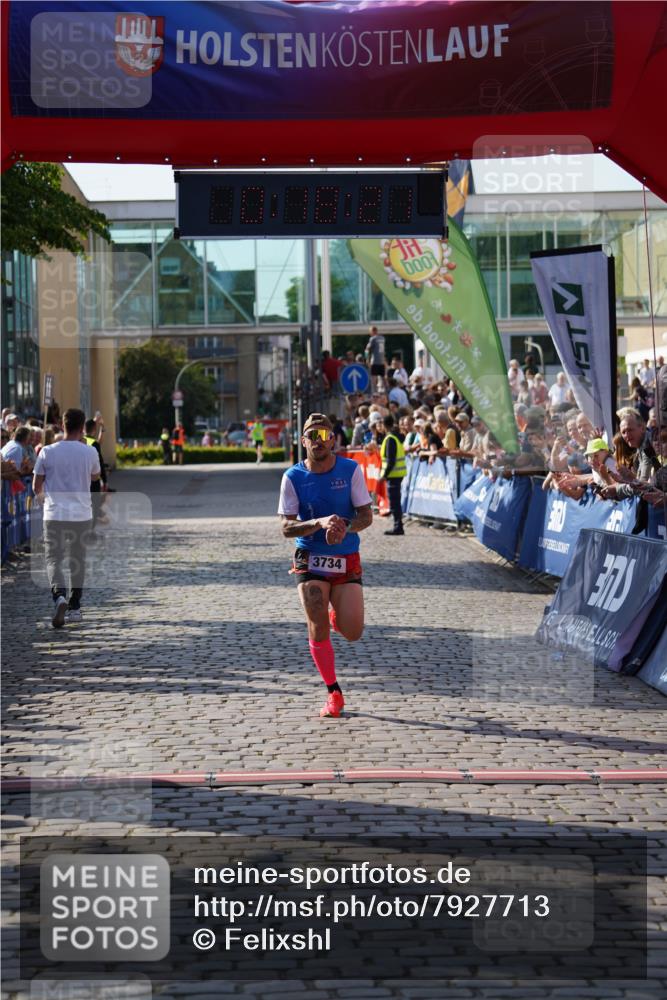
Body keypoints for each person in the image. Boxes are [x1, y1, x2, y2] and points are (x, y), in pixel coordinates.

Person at [278, 413, 373, 718]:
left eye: (324, 436)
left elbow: (366, 516)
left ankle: (338, 615)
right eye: (312, 437)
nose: (318, 443)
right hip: (310, 558)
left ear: (333, 439)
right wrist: (317, 523)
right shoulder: (292, 477)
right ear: (303, 441)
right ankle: (333, 692)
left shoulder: (350, 469)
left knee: (353, 631)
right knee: (316, 625)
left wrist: (345, 527)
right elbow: (286, 528)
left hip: (346, 557)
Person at [32, 408, 100, 627]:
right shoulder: (89, 451)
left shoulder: (47, 451)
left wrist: (43, 499)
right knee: (77, 560)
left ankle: (59, 595)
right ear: (82, 429)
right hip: (81, 514)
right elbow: (95, 476)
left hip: (54, 513)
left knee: (53, 558)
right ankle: (75, 607)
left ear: (62, 425)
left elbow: (36, 485)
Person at [378, 413, 407, 536]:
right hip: (396, 474)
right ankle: (398, 525)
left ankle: (398, 526)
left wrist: (383, 475)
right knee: (395, 501)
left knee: (394, 501)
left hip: (393, 475)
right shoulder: (395, 437)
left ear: (384, 425)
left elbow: (391, 460)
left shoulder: (390, 439)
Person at [84, 417, 107, 530]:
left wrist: (101, 427)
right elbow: (100, 463)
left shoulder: (79, 440)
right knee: (94, 505)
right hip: (93, 479)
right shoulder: (94, 444)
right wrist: (105, 479)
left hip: (81, 478)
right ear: (94, 430)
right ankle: (90, 530)